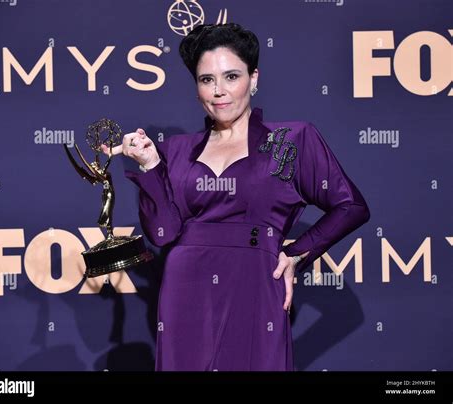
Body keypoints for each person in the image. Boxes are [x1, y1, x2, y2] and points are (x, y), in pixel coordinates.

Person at [101, 23, 370, 371]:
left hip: (256, 285)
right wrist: (151, 165)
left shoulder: (292, 140)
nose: (219, 91)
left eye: (231, 77)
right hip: (185, 290)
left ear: (254, 78)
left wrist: (295, 254)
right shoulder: (174, 151)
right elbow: (163, 234)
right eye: (206, 80)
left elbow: (351, 206)